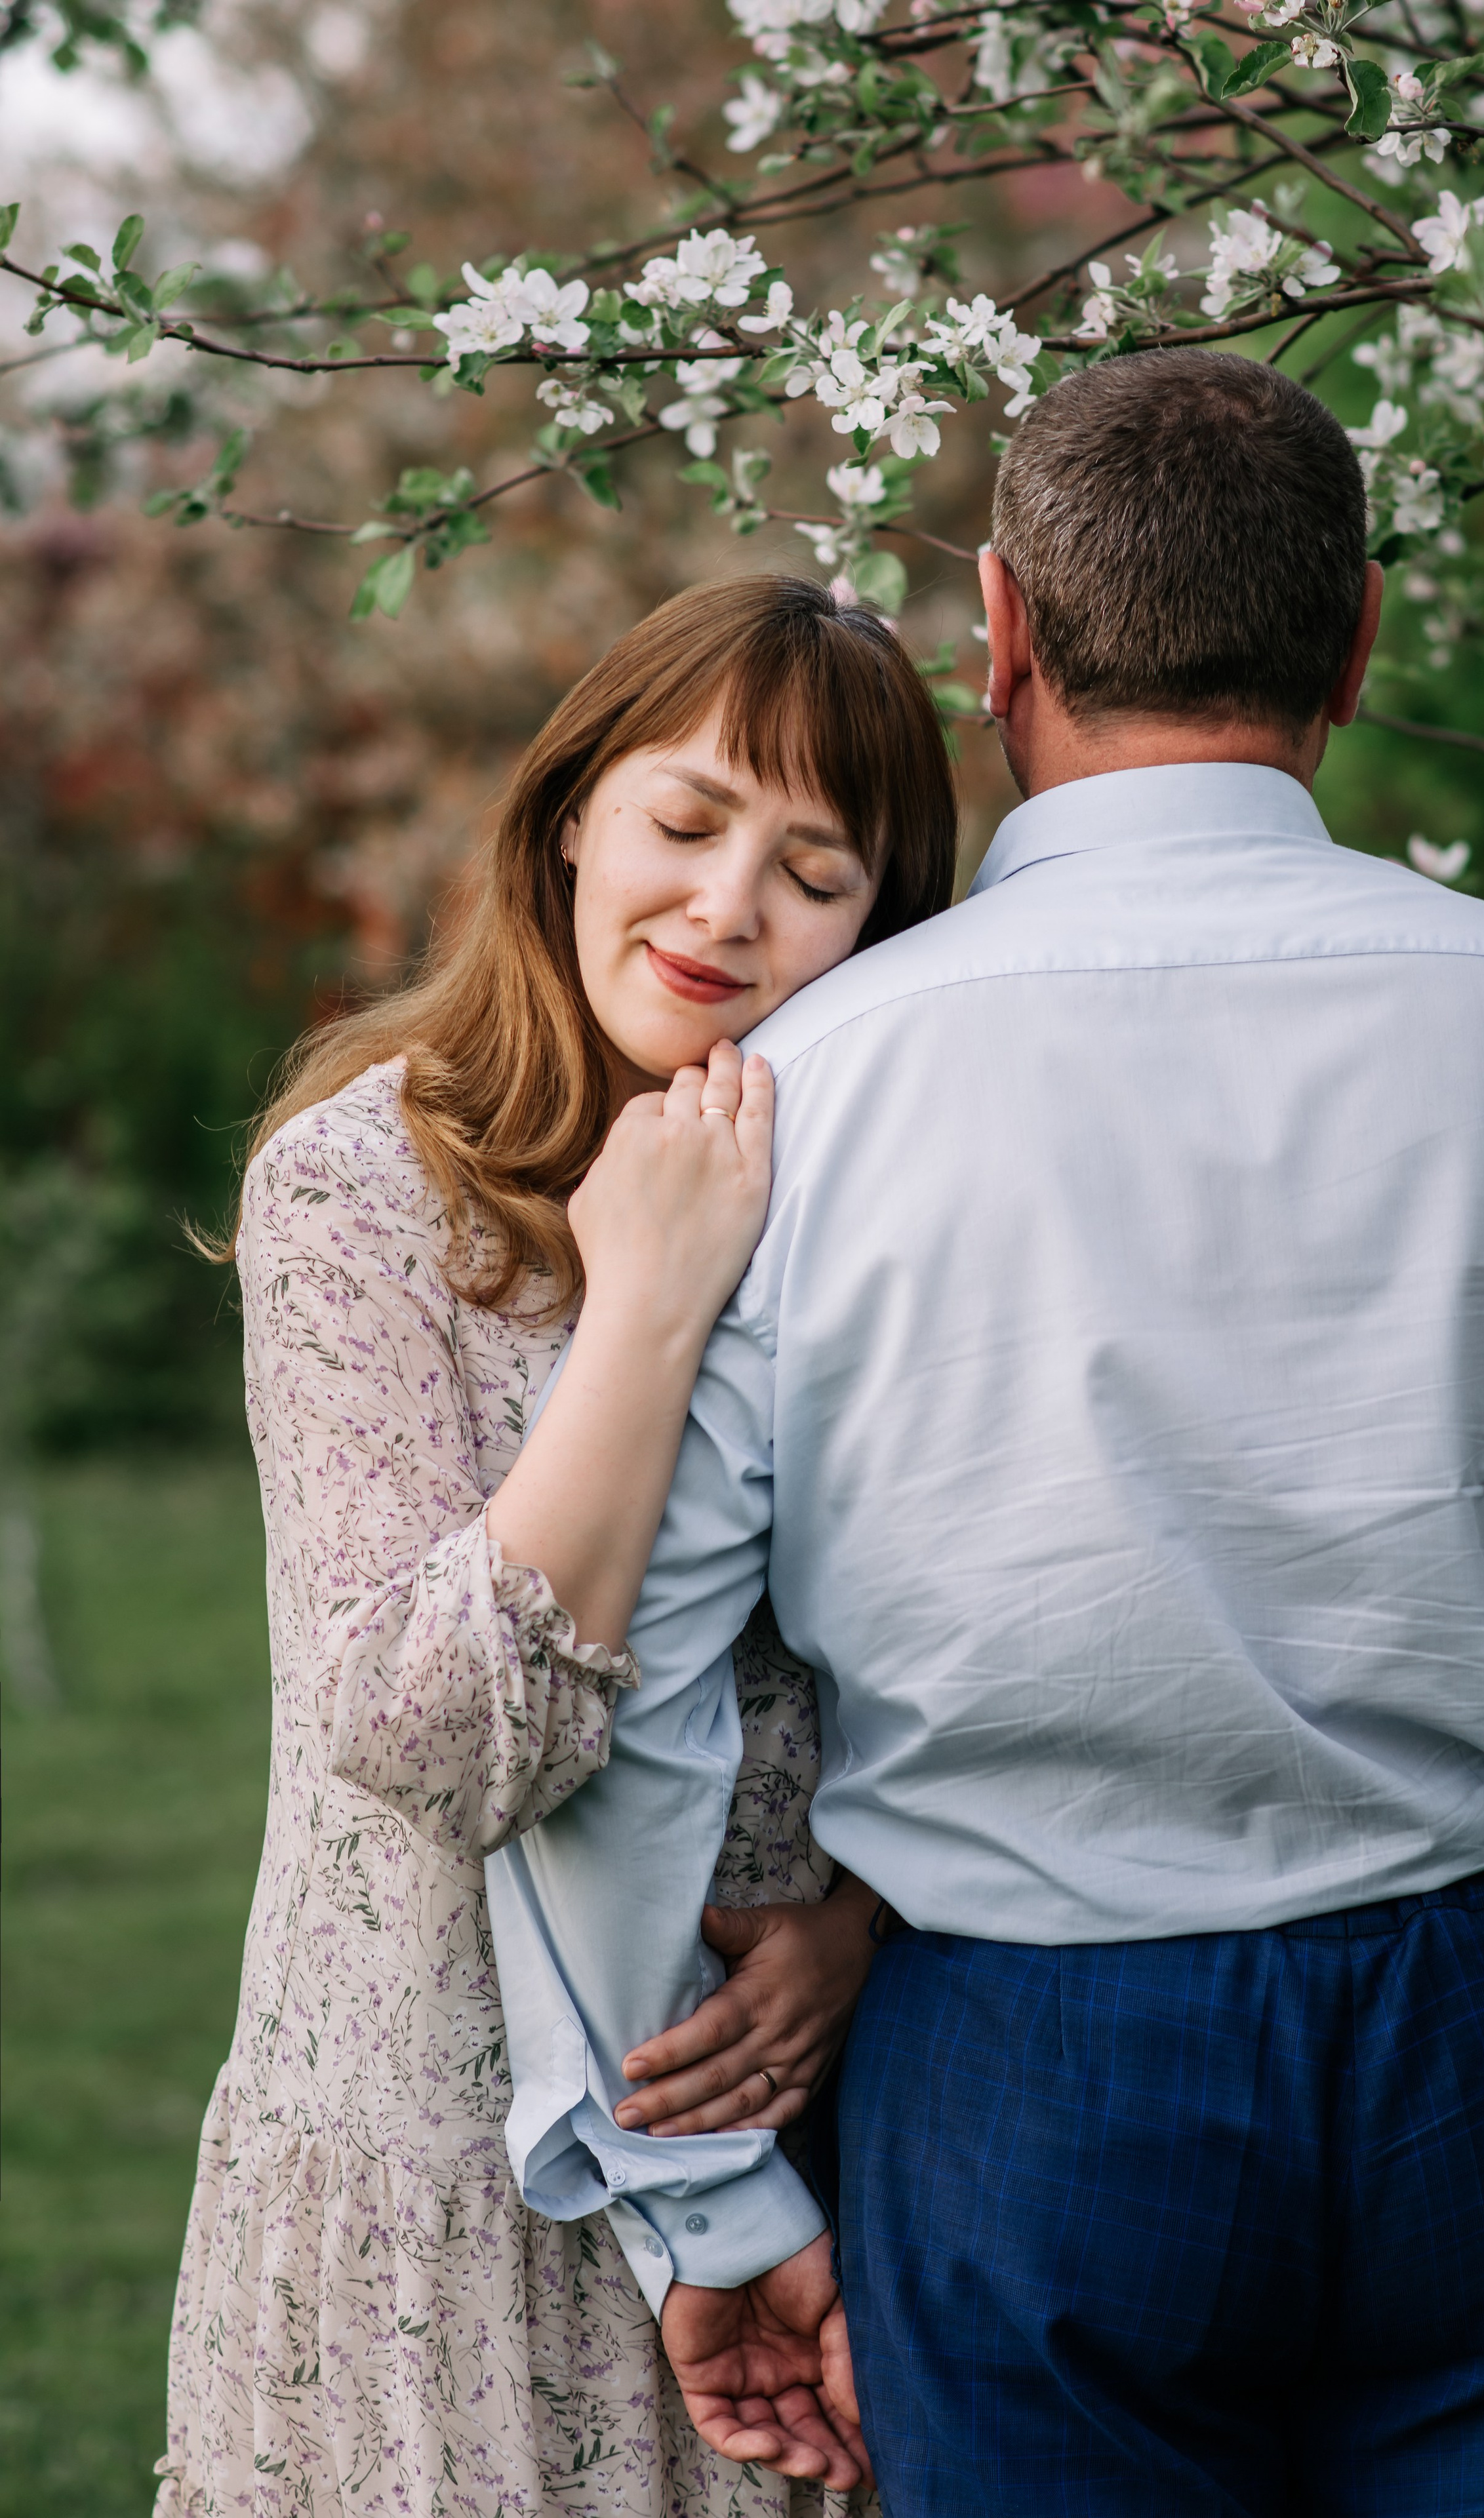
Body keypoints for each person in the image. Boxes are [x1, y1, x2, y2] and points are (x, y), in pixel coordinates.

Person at [491, 351, 1484, 2516]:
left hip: (1036, 2061)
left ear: (1006, 632)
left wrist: (711, 2201)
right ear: (1360, 640)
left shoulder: (801, 1098)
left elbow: (632, 1680)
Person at [156, 576, 955, 2518]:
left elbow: (975, 1654)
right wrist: (652, 1302)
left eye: (815, 869)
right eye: (687, 823)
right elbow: (436, 1731)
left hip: (787, 2166)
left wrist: (862, 1931)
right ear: (572, 812)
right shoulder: (361, 1187)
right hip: (429, 2176)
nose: (727, 908)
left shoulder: (892, 1215)